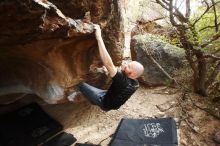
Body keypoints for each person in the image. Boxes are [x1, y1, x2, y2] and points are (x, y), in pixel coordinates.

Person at [78, 24, 144, 111]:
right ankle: (93, 100)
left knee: (79, 84)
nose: (125, 65)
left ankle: (93, 100)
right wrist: (113, 71)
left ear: (133, 74)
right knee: (95, 93)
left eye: (128, 66)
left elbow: (108, 63)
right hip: (109, 96)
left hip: (104, 102)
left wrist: (99, 37)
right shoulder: (135, 83)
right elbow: (119, 75)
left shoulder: (122, 81)